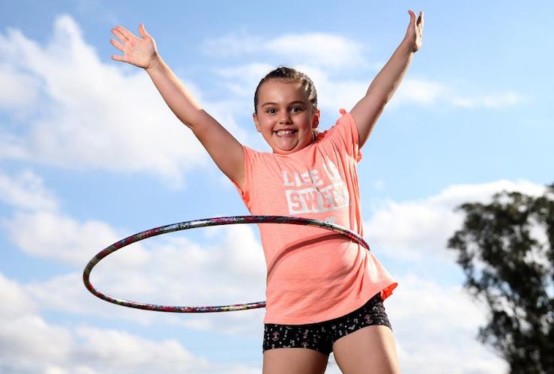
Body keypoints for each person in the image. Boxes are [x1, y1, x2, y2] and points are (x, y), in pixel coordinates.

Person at [110, 9, 423, 374]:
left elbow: (378, 95)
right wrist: (154, 65)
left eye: (295, 109)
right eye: (271, 111)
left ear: (315, 116)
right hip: (291, 312)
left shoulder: (337, 146)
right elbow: (197, 119)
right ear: (257, 122)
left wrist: (407, 49)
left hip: (354, 298)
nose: (284, 119)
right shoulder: (251, 168)